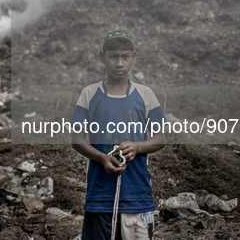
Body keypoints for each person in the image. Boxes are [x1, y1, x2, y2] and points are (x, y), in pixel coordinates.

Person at [70, 30, 167, 240]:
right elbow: (76, 139)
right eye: (113, 56)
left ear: (134, 56)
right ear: (102, 57)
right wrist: (102, 158)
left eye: (125, 56)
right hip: (100, 194)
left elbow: (161, 138)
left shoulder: (145, 94)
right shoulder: (89, 94)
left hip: (137, 193)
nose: (119, 63)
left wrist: (137, 147)